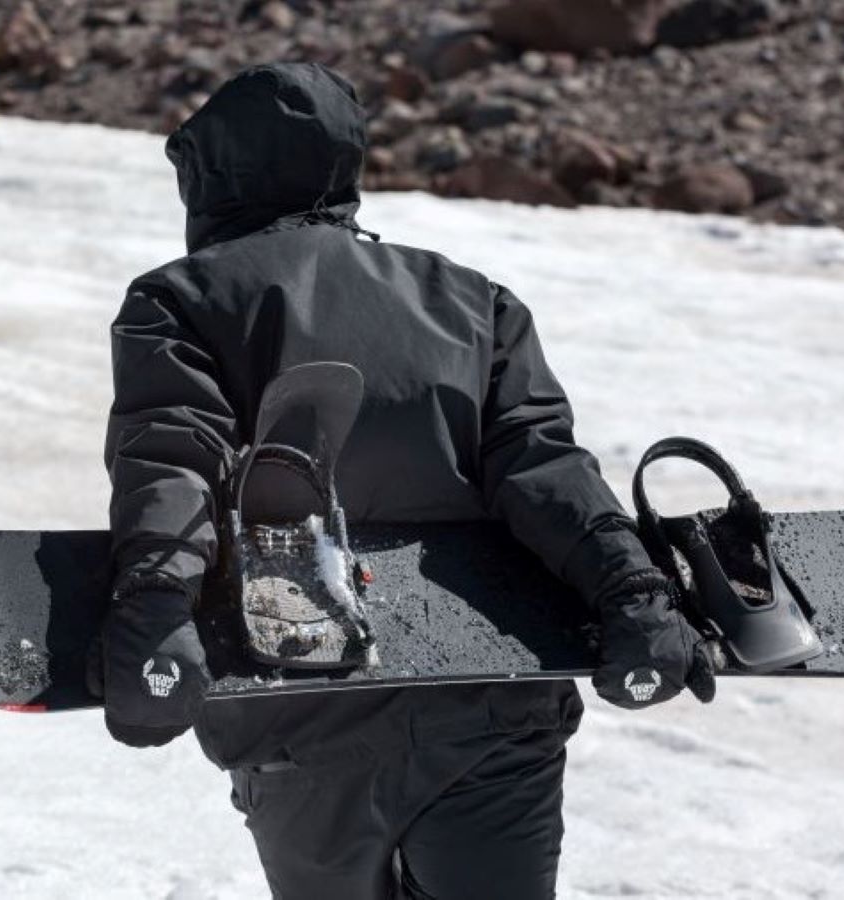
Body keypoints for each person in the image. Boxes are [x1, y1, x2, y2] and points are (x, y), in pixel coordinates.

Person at [100, 62, 715, 899]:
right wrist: (634, 593)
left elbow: (177, 461)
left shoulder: (183, 301)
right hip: (497, 713)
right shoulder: (471, 301)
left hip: (303, 721)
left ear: (209, 175)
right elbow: (544, 467)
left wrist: (154, 611)